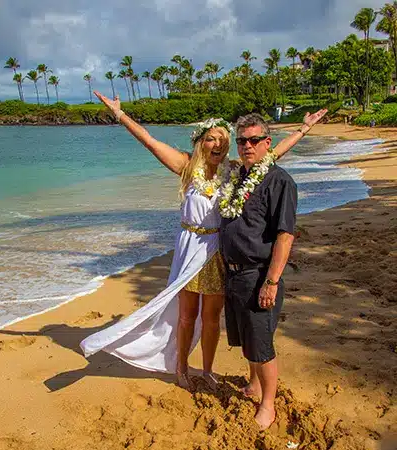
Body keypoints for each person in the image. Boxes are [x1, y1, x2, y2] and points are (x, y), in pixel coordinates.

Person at [80, 91, 326, 391]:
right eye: (212, 138)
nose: (219, 144)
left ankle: (208, 369)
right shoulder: (185, 166)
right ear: (200, 142)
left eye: (223, 139)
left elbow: (271, 155)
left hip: (217, 251)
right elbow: (149, 141)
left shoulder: (234, 171)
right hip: (189, 249)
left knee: (212, 319)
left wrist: (304, 129)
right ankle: (181, 368)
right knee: (186, 317)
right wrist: (119, 114)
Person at [220, 113, 298, 430]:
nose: (247, 146)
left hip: (259, 273)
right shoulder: (239, 177)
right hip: (234, 273)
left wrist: (272, 282)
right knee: (247, 340)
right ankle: (253, 385)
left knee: (262, 345)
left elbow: (285, 235)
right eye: (242, 140)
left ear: (267, 143)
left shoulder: (280, 181)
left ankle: (268, 404)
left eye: (254, 140)